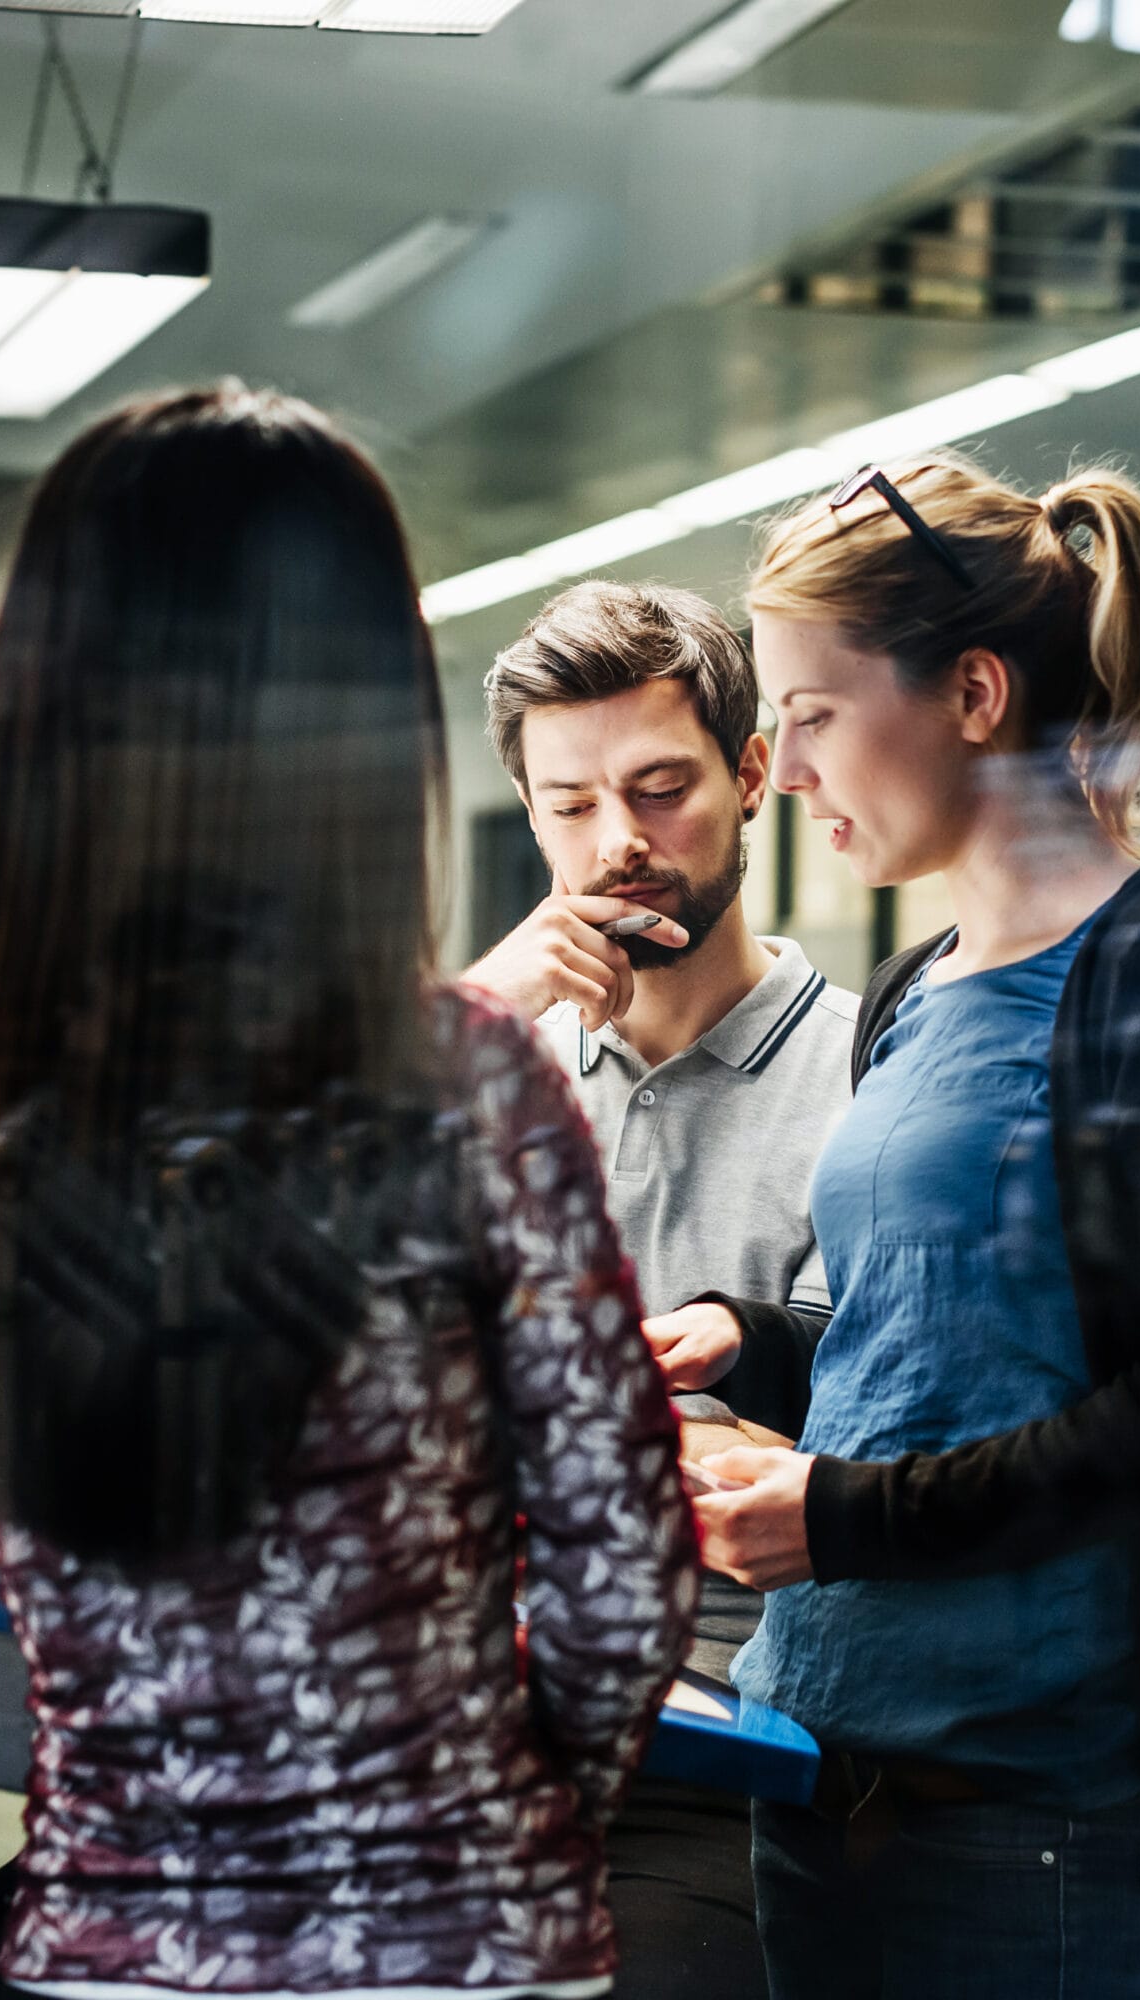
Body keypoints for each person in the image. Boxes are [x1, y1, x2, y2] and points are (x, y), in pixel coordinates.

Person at [0, 385, 697, 2000]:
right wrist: (491, 1827)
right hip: (462, 1951)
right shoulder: (470, 1088)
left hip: (115, 1943)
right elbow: (624, 1577)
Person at [686, 455, 1140, 1998]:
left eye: (816, 715)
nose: (781, 770)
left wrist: (845, 1517)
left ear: (975, 694)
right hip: (829, 1762)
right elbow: (950, 1339)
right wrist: (759, 1345)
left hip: (1028, 1815)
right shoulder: (920, 980)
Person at [460, 581, 857, 1998]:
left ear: (754, 778)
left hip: (705, 1740)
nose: (616, 844)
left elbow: (829, 1453)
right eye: (569, 805)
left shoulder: (873, 1086)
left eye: (660, 789)